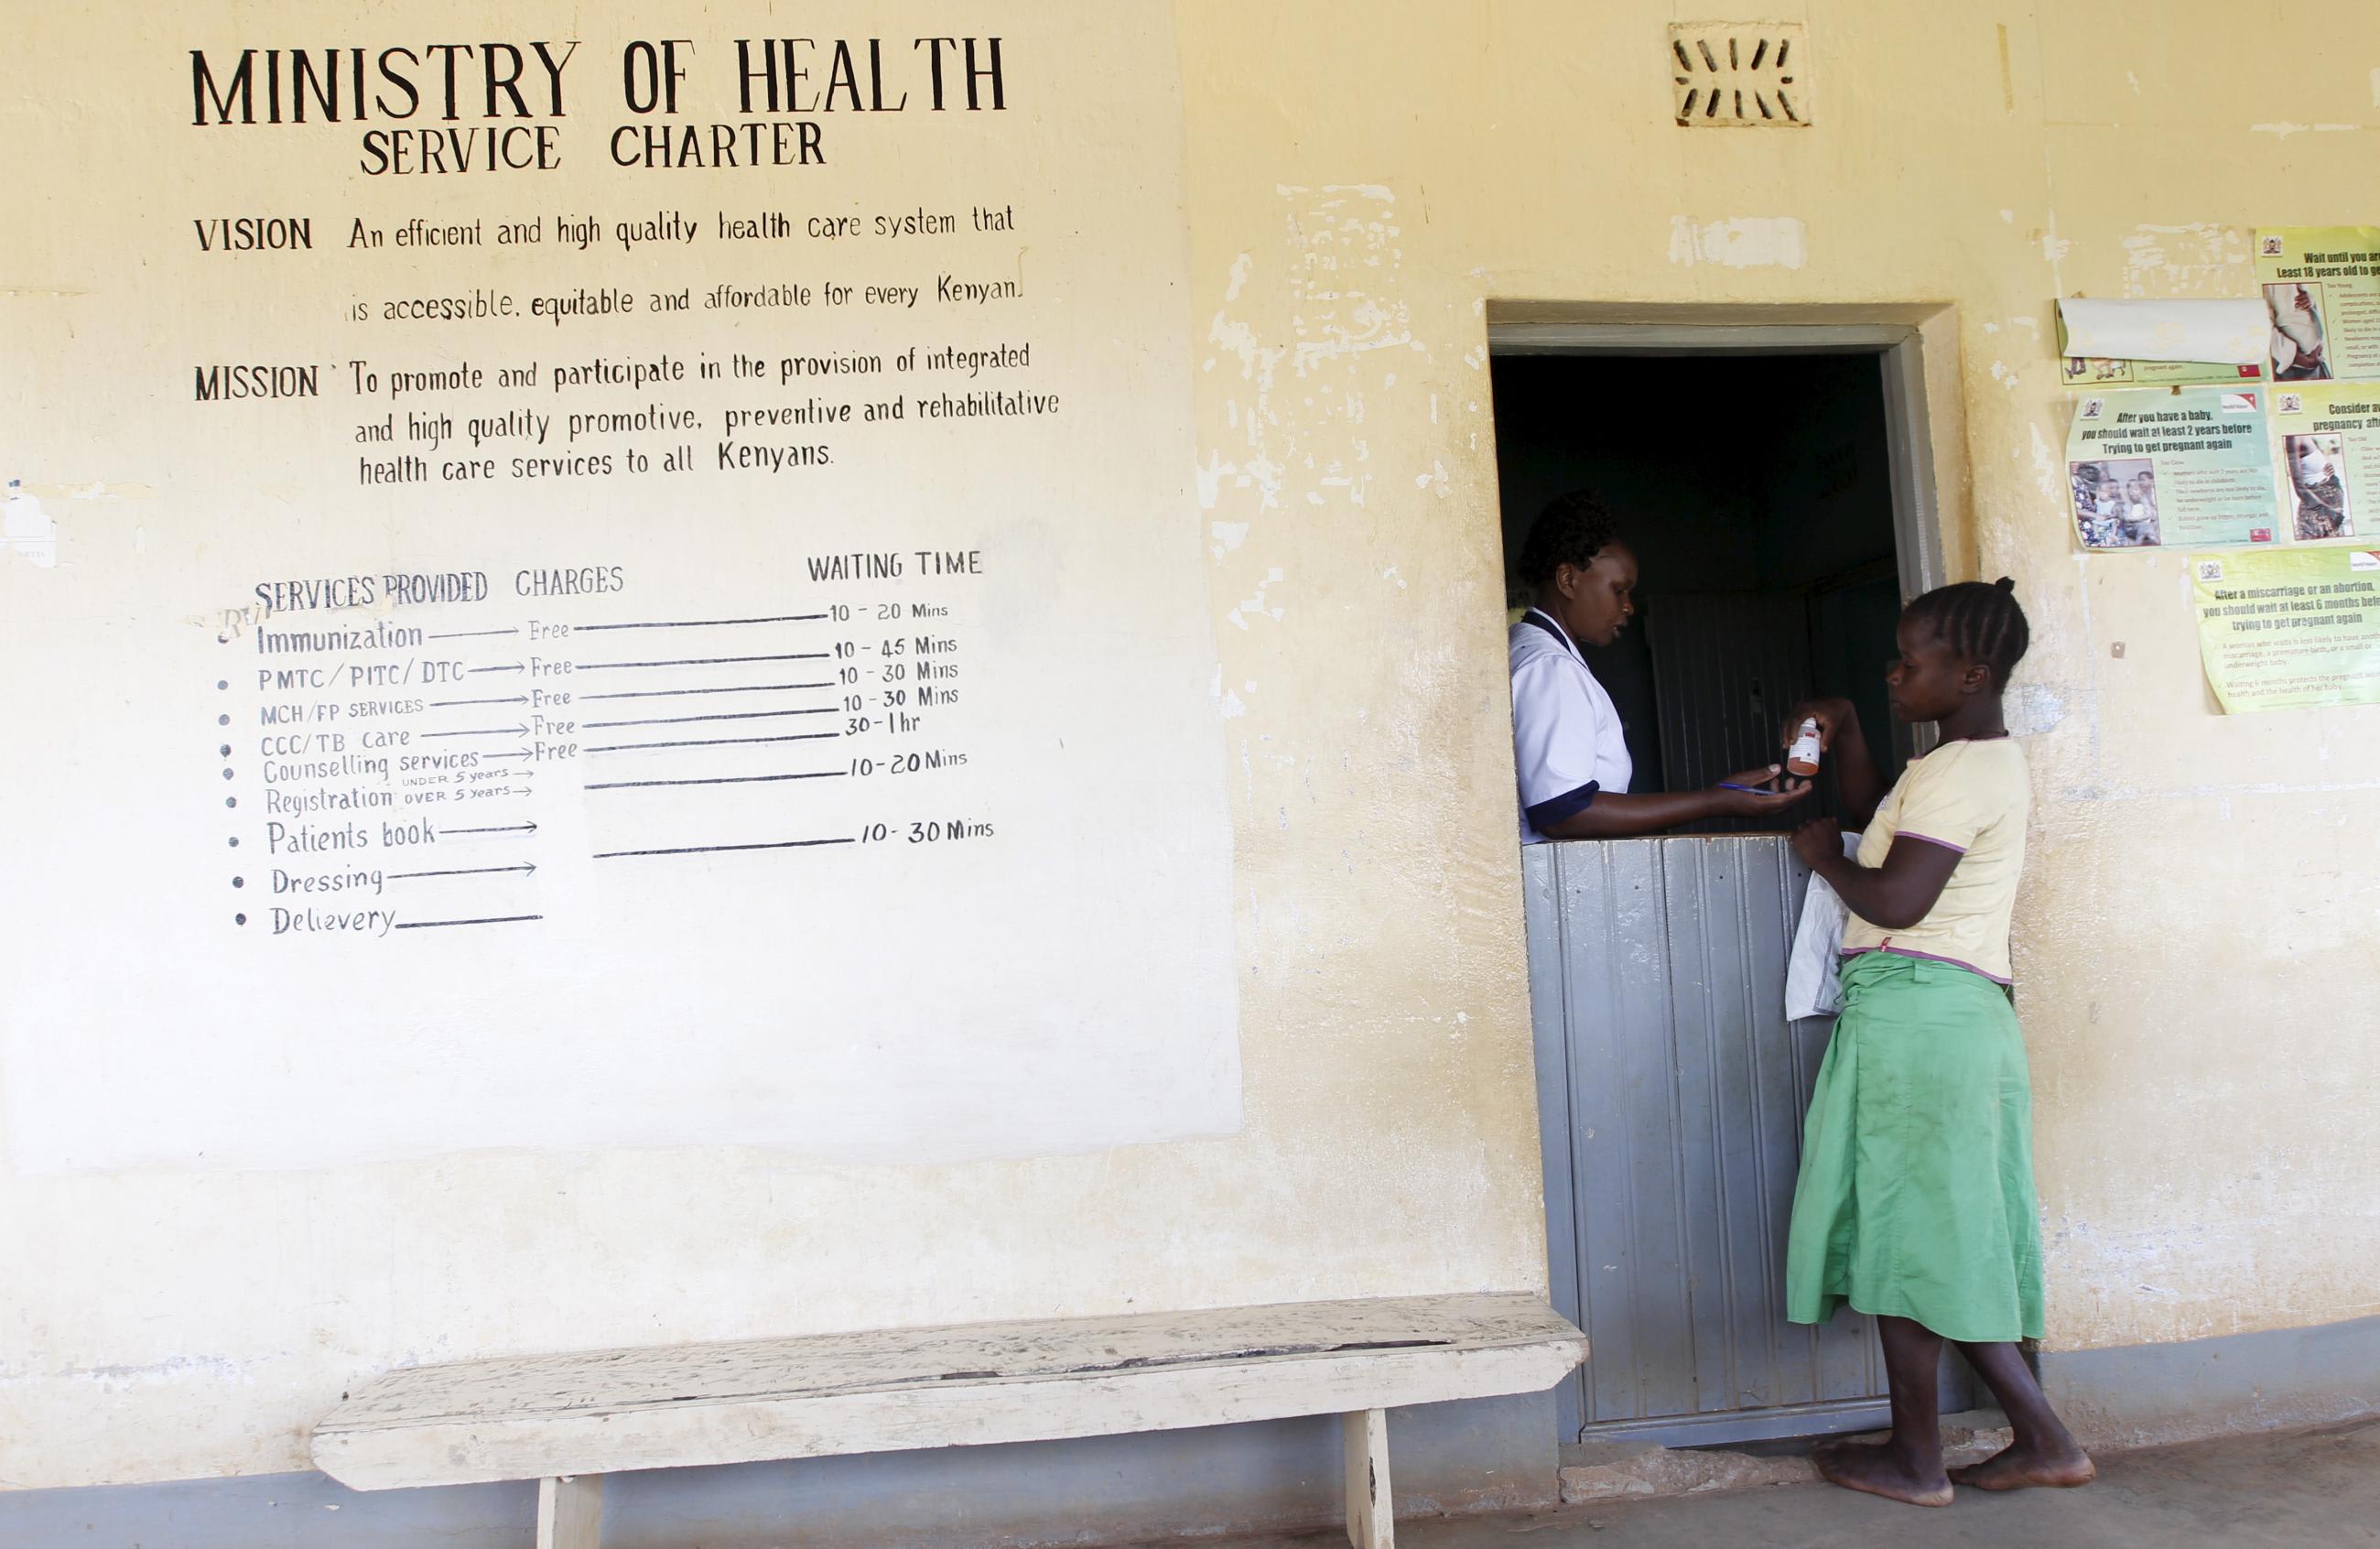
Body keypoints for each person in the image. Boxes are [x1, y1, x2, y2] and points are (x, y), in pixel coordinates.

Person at [1778, 579, 2093, 1508]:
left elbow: (1895, 897)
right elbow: (1893, 821)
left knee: (1909, 1239)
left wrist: (1822, 858)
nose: (1893, 673)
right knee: (1933, 1238)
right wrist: (1845, 726)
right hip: (1945, 1018)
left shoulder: (1959, 771)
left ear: (1969, 672)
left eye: (1908, 662)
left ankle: (1917, 1461)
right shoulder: (1965, 761)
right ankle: (2042, 1439)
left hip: (1920, 1018)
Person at [1508, 491, 1806, 841]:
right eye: (1619, 590)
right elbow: (1563, 812)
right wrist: (1713, 801)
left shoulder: (1529, 648)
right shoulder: (1551, 668)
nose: (1628, 607)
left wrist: (1717, 798)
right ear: (1568, 580)